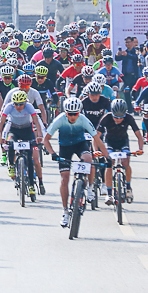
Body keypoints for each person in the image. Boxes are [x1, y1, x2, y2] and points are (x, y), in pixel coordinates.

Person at [42, 97, 108, 227]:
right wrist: (53, 154)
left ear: (79, 112)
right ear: (65, 112)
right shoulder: (59, 119)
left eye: (75, 114)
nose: (72, 117)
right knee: (64, 178)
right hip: (65, 147)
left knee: (89, 159)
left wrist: (107, 156)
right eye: (69, 114)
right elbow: (46, 140)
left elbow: (97, 139)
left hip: (80, 144)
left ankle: (89, 188)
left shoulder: (83, 120)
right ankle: (65, 211)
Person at [97, 99, 144, 205]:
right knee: (109, 164)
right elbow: (97, 136)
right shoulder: (106, 117)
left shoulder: (129, 118)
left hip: (123, 142)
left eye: (121, 117)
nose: (118, 120)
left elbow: (139, 135)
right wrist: (96, 150)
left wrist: (140, 149)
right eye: (115, 117)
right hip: (109, 142)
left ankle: (128, 187)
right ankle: (109, 193)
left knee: (126, 162)